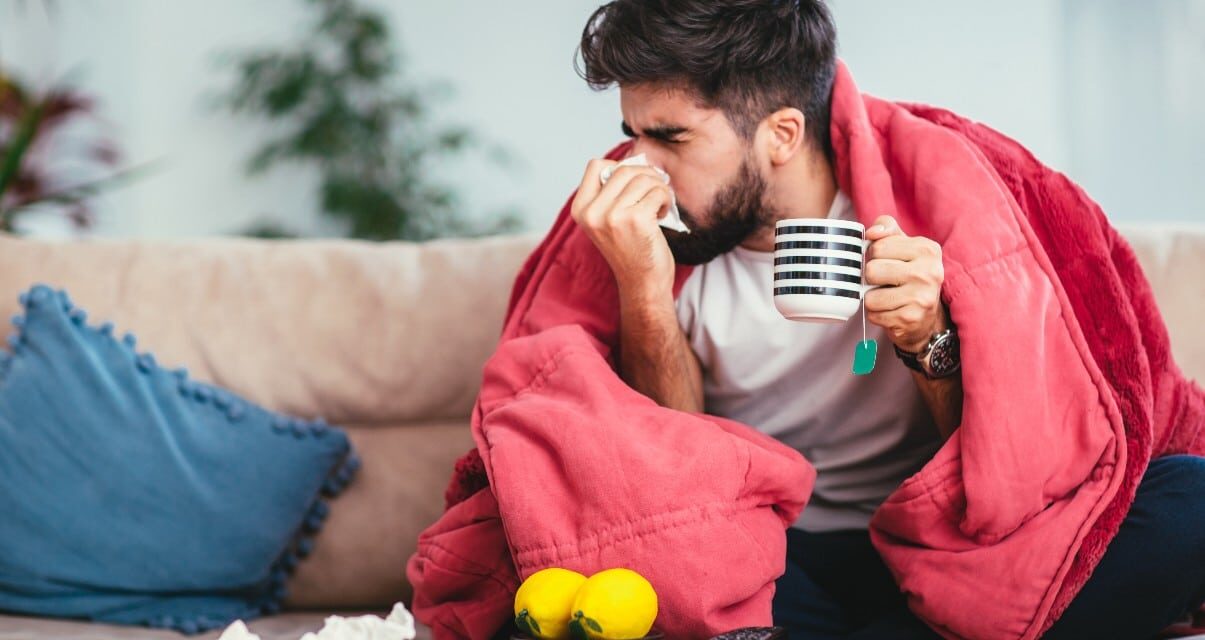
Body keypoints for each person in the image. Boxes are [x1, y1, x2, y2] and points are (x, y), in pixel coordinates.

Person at [568, 1, 1205, 637]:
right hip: (776, 556)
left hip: (944, 543)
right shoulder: (663, 244)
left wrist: (928, 336)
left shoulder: (924, 206)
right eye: (634, 133)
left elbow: (1008, 465)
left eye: (670, 137)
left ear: (782, 134)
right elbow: (673, 474)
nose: (640, 165)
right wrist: (642, 285)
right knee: (679, 578)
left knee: (1190, 497)